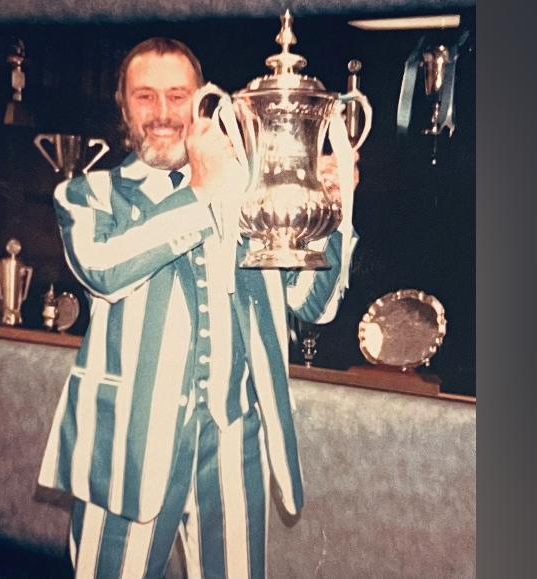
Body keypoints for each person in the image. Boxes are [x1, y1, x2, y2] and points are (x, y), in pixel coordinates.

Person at [38, 37, 358, 579]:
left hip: (235, 445)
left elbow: (314, 304)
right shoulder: (89, 194)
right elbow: (105, 269)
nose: (162, 113)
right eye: (145, 97)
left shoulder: (251, 195)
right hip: (129, 450)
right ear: (123, 106)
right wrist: (202, 194)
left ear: (203, 102)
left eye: (177, 95)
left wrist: (336, 210)